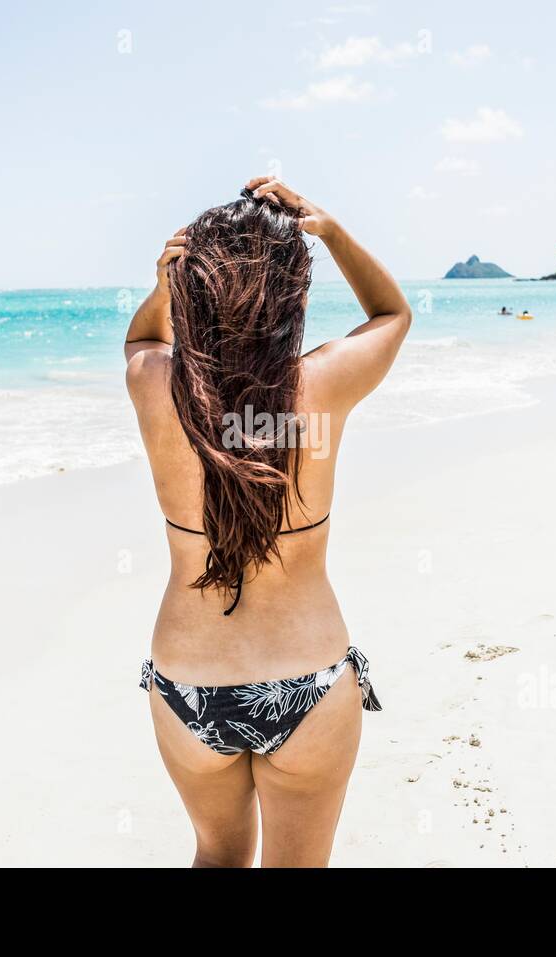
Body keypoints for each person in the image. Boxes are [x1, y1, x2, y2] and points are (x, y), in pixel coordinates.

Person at [122, 177, 405, 867]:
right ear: (291, 294)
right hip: (304, 678)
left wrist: (166, 285)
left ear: (196, 285)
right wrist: (330, 231)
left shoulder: (157, 387)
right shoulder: (322, 386)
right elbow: (391, 314)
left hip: (190, 684)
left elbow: (142, 339)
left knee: (216, 856)